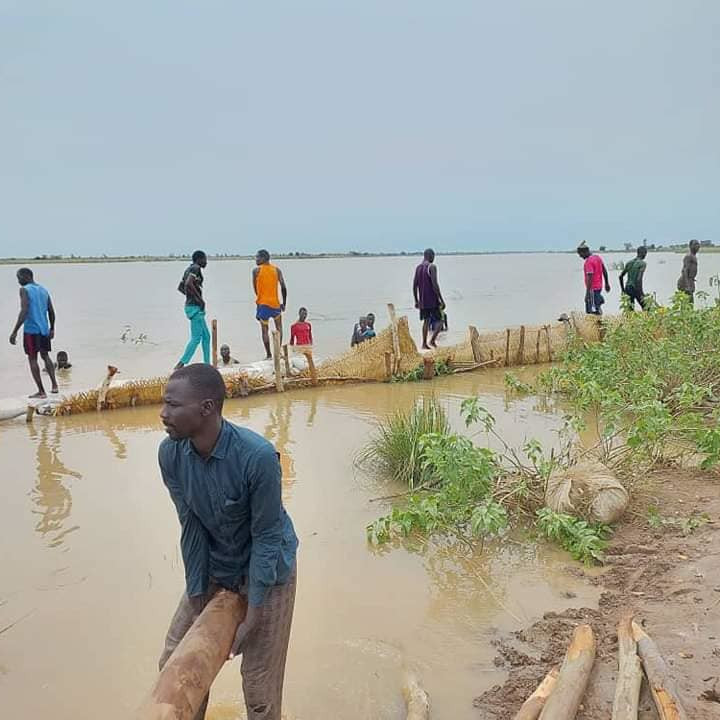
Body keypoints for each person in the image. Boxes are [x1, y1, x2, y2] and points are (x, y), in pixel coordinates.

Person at [158, 364, 298, 720]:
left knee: (259, 687)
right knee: (174, 660)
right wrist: (197, 598)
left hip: (269, 570)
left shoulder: (258, 457)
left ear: (206, 408)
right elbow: (190, 526)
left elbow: (266, 537)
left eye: (173, 405)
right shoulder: (170, 454)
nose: (163, 414)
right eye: (164, 404)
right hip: (217, 566)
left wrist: (252, 614)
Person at [8, 267, 58, 398]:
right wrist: (52, 328)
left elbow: (24, 311)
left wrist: (14, 331)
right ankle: (54, 386)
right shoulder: (43, 290)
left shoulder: (24, 290)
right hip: (44, 329)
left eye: (19, 278)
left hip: (31, 330)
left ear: (26, 276)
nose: (18, 281)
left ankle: (41, 391)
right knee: (45, 356)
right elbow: (51, 311)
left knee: (32, 358)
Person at [175, 251, 210, 369]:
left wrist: (190, 296)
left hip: (192, 306)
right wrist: (199, 300)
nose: (206, 262)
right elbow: (188, 284)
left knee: (207, 336)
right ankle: (181, 363)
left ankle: (207, 364)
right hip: (195, 307)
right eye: (205, 259)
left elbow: (181, 287)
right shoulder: (195, 268)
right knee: (196, 338)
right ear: (199, 259)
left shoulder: (188, 269)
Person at [253, 250, 287, 360]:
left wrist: (259, 300)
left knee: (264, 330)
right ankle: (278, 351)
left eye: (257, 257)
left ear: (264, 258)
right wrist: (284, 303)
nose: (256, 259)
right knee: (279, 328)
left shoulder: (256, 271)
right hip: (275, 304)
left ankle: (268, 355)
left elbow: (255, 289)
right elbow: (283, 287)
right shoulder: (277, 270)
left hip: (263, 304)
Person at [413, 248, 445, 349]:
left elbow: (414, 285)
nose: (434, 258)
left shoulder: (418, 268)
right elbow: (435, 284)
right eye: (433, 256)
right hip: (432, 300)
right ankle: (432, 340)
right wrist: (441, 299)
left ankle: (423, 344)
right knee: (441, 321)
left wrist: (416, 300)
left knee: (426, 321)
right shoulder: (432, 267)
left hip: (423, 301)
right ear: (430, 256)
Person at [577, 243, 610, 315]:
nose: (580, 256)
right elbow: (604, 270)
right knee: (595, 306)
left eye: (580, 254)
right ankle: (599, 304)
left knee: (591, 310)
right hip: (599, 287)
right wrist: (607, 283)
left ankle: (598, 322)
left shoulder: (589, 262)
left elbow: (590, 277)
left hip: (592, 289)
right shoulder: (597, 258)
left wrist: (587, 293)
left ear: (585, 252)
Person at [677, 239, 701, 303]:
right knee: (688, 303)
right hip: (685, 283)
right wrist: (688, 286)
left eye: (698, 244)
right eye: (695, 244)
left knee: (689, 303)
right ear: (690, 246)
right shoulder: (688, 256)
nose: (698, 246)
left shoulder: (693, 256)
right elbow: (684, 271)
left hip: (690, 281)